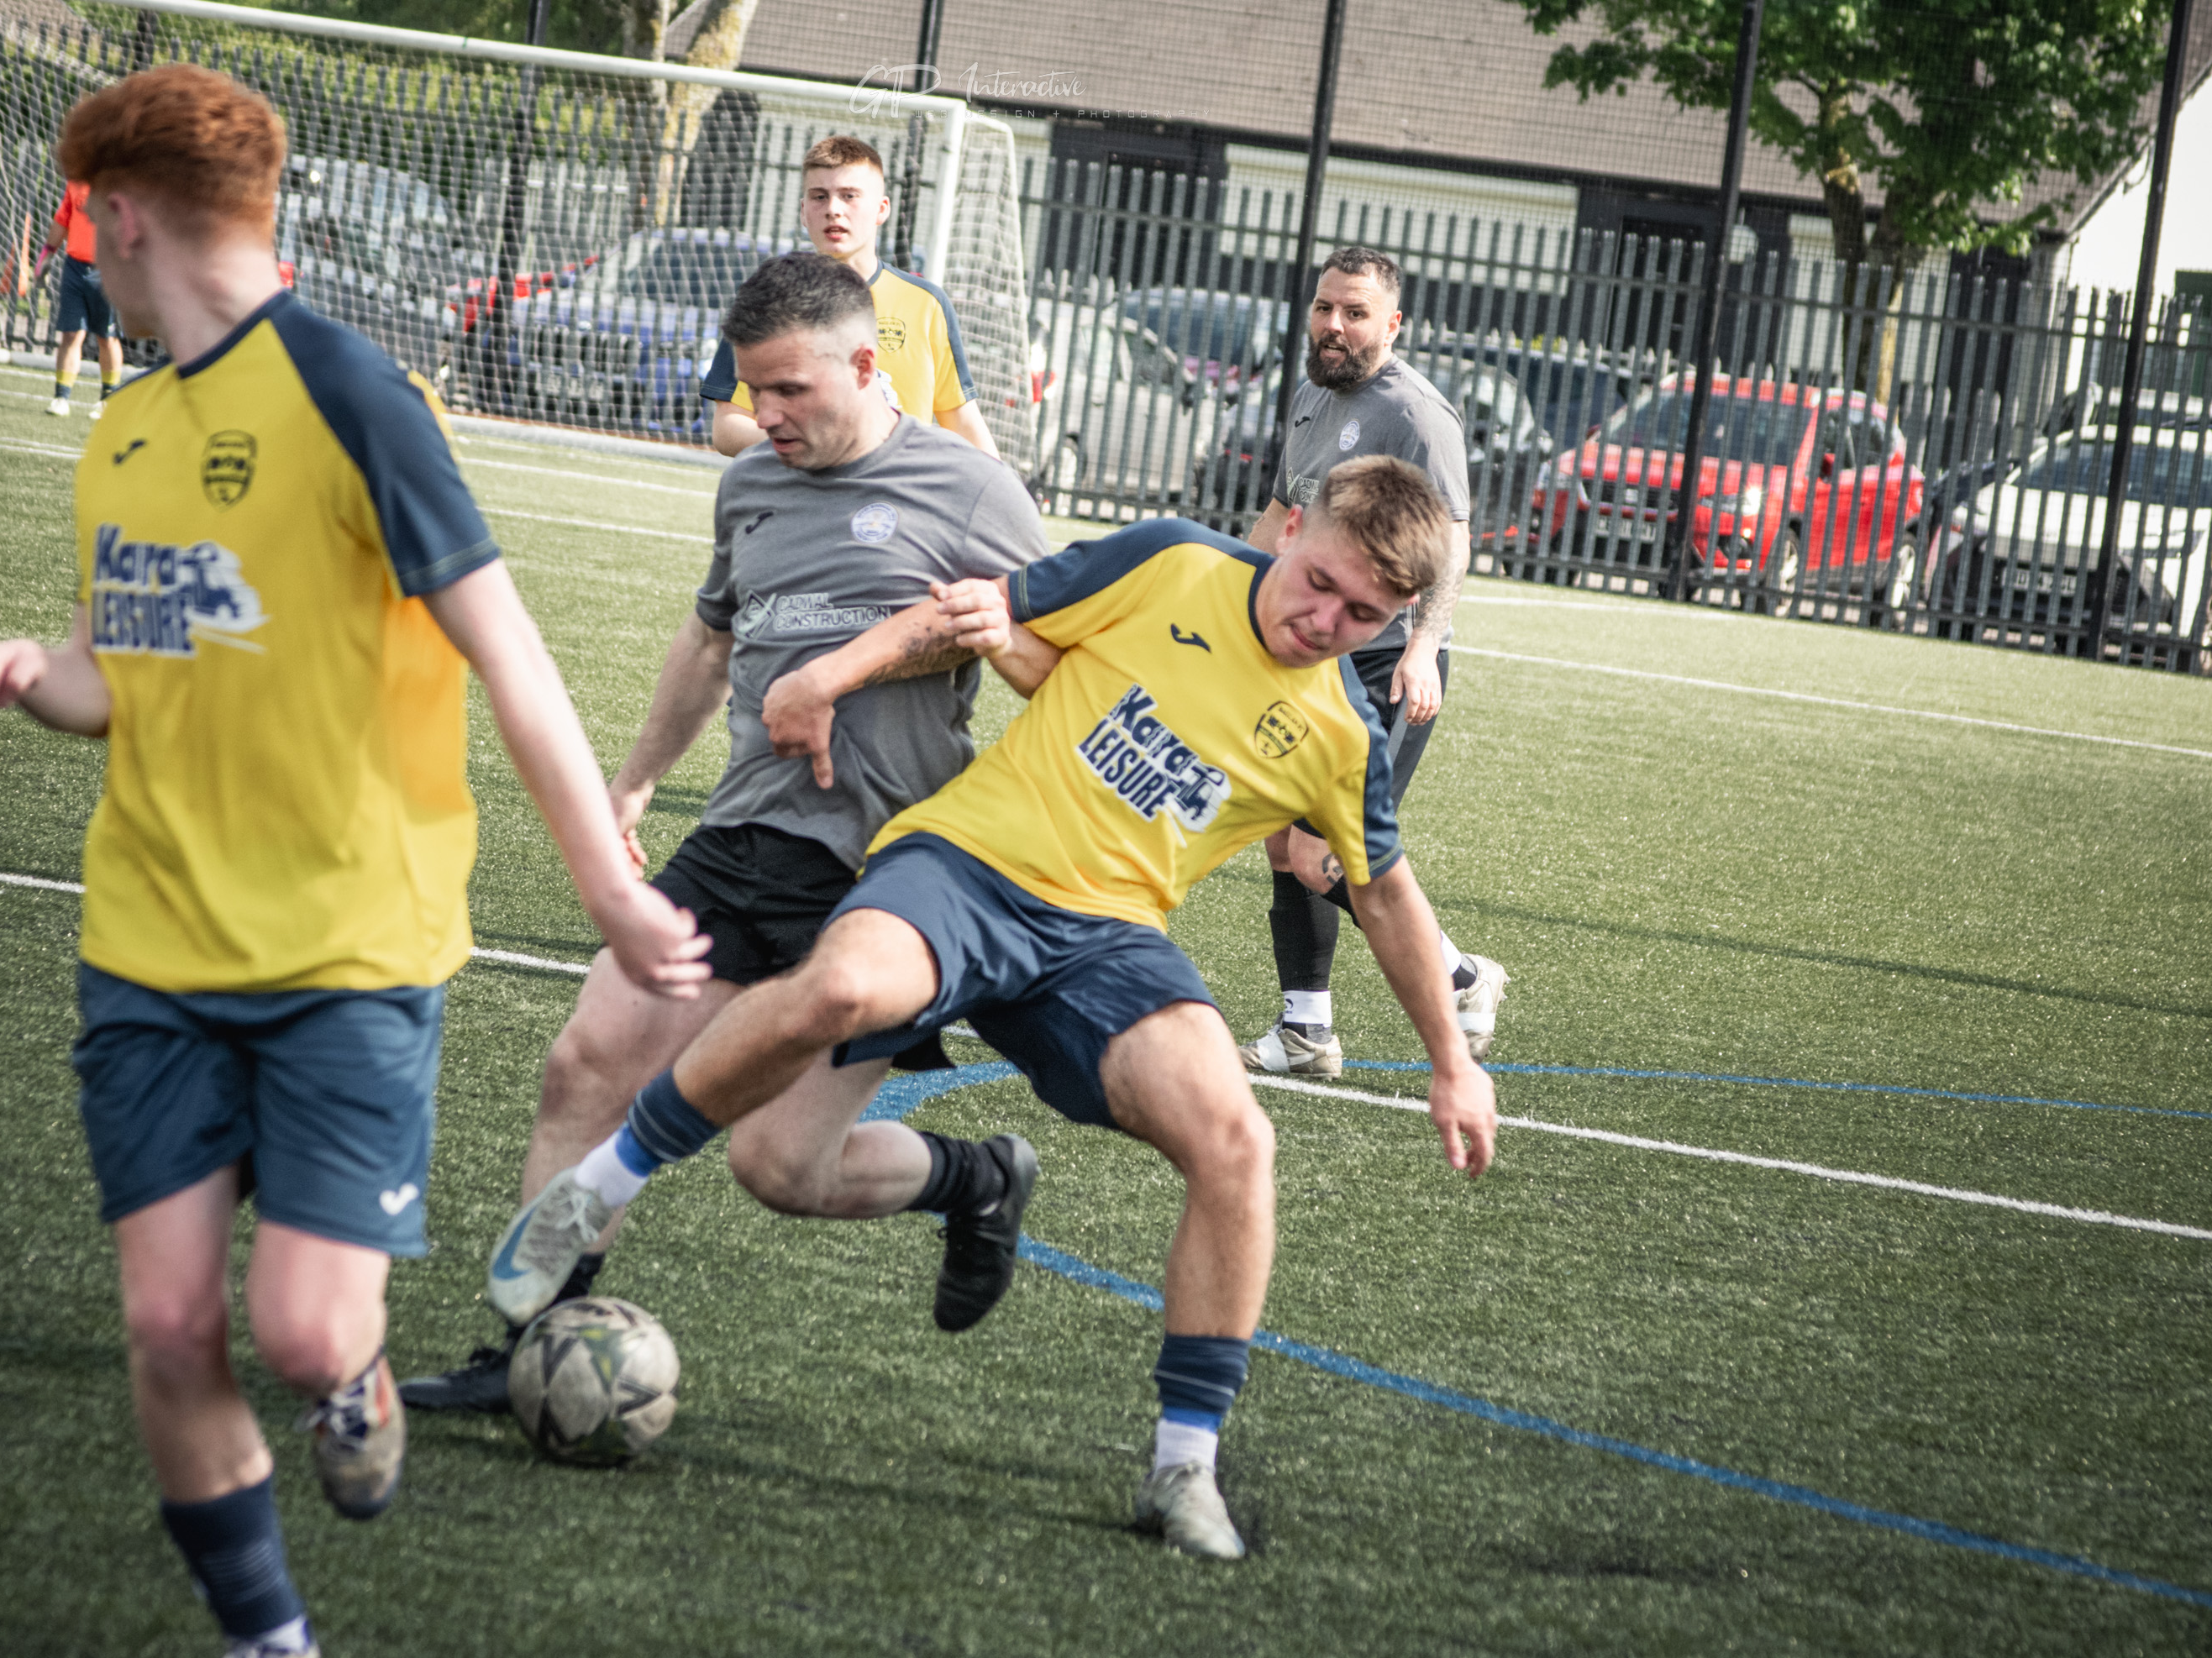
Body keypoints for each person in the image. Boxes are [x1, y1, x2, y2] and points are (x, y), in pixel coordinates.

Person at [0, 66, 709, 1658]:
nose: (83, 252)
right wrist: (34, 663)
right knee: (166, 1326)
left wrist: (609, 891)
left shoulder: (359, 396)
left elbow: (511, 661)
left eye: (87, 223)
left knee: (300, 1331)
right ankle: (271, 1645)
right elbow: (121, 667)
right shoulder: (130, 424)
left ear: (127, 214)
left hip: (349, 954)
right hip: (149, 949)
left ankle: (352, 1388)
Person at [490, 456, 1500, 1561]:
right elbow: (974, 615)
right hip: (967, 864)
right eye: (1319, 582)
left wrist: (1451, 1059)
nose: (1327, 620)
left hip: (1108, 940)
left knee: (1236, 1140)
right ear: (1292, 528)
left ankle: (1183, 1467)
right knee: (832, 1010)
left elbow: (1385, 891)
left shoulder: (1343, 733)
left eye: (1367, 616)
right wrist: (828, 679)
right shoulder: (1171, 560)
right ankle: (601, 1186)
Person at [403, 251, 1047, 1412]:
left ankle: (978, 1177)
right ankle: (528, 1348)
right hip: (745, 834)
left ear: (866, 362)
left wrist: (950, 635)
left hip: (885, 876)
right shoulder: (749, 486)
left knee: (781, 1168)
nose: (765, 416)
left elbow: (1054, 668)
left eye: (792, 391)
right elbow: (709, 645)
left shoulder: (972, 490)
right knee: (586, 1062)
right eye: (753, 391)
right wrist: (636, 782)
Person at [1235, 246, 1506, 1079]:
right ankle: (1306, 1029)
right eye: (1325, 308)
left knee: (1325, 854)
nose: (1333, 326)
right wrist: (1223, 595)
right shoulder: (1314, 395)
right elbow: (1285, 509)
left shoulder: (1419, 417)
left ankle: (1461, 975)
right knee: (1286, 842)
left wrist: (1424, 646)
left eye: (1354, 313)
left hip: (1389, 662)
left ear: (1393, 324)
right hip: (1316, 654)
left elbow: (1453, 540)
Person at [700, 134, 998, 461]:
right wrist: (830, 443)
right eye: (819, 197)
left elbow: (965, 424)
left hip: (895, 499)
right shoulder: (769, 300)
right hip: (802, 499)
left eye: (849, 196)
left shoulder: (926, 305)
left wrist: (1002, 496)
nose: (833, 210)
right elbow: (727, 429)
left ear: (882, 209)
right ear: (803, 211)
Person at [40, 178, 123, 417]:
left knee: (106, 337)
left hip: (108, 267)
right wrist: (47, 254)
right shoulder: (76, 181)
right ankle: (61, 397)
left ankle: (108, 399)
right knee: (70, 333)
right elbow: (62, 219)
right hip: (74, 267)